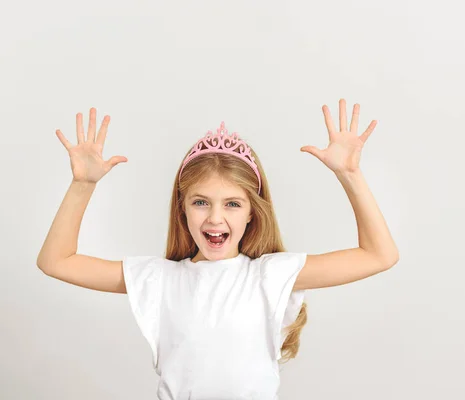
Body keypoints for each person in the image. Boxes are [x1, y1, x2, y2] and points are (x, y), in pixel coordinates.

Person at [36, 98, 400, 399]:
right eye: (200, 202)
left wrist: (350, 175)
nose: (214, 218)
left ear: (252, 214)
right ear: (182, 207)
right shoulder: (159, 280)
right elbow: (56, 261)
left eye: (232, 204)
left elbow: (379, 255)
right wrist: (82, 184)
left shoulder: (270, 276)